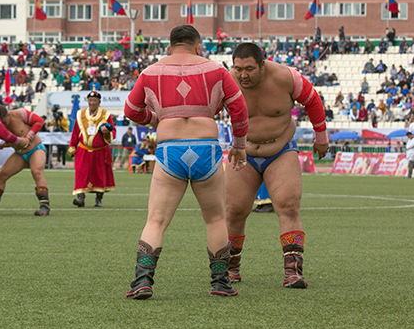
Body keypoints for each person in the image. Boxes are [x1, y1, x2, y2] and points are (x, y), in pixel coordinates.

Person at [123, 24, 249, 299]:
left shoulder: (151, 72)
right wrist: (239, 146)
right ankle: (220, 283)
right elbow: (239, 109)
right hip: (206, 148)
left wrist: (156, 119)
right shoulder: (216, 69)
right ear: (198, 46)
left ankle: (142, 282)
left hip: (171, 150)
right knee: (216, 219)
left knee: (156, 220)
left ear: (169, 47)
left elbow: (131, 110)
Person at [226, 42, 329, 289]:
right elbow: (207, 109)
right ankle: (230, 269)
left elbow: (313, 101)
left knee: (288, 206)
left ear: (263, 64)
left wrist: (321, 137)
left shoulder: (286, 77)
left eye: (249, 68)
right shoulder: (227, 81)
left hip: (280, 149)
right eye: (238, 68)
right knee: (233, 211)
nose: (243, 75)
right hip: (243, 151)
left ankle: (293, 271)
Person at [0, 108, 50, 216]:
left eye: (5, 121)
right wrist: (2, 145)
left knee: (36, 172)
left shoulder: (19, 114)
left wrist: (29, 137)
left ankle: (45, 206)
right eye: (1, 123)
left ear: (8, 115)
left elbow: (39, 121)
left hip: (36, 148)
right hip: (20, 154)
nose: (4, 125)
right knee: (2, 174)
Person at [67, 91, 116, 207]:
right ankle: (80, 198)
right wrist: (72, 146)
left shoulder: (106, 115)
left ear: (99, 102)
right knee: (81, 174)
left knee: (99, 175)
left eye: (94, 101)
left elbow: (113, 131)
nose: (92, 103)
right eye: (90, 100)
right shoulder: (81, 114)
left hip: (100, 152)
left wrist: (107, 133)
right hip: (83, 151)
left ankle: (98, 199)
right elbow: (75, 132)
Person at [45, 104, 69, 168]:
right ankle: (58, 162)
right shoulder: (56, 119)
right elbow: (53, 123)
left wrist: (60, 119)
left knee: (63, 151)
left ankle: (63, 164)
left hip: (64, 135)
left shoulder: (64, 119)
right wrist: (48, 124)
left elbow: (64, 124)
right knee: (58, 150)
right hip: (58, 136)